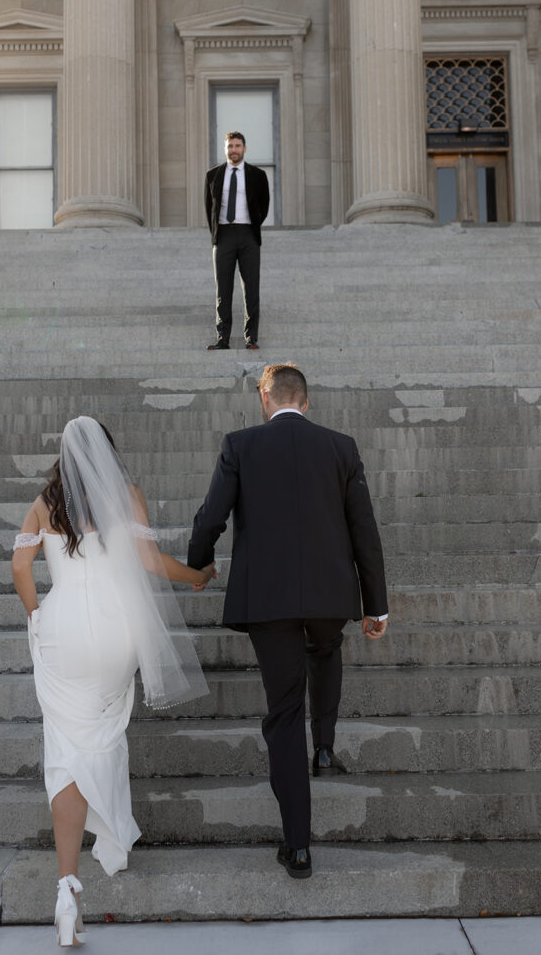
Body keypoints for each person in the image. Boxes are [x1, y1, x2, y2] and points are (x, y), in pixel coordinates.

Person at [11, 416, 213, 946]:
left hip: (64, 634)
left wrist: (36, 615)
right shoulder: (126, 494)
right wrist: (198, 576)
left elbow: (19, 567)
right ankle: (111, 837)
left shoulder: (44, 502)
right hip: (118, 632)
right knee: (102, 734)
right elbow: (150, 562)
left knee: (66, 751)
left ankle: (66, 890)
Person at [187, 364, 388, 880]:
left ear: (265, 398)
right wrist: (375, 604)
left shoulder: (240, 445)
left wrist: (198, 564)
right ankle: (323, 745)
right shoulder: (340, 447)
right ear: (306, 400)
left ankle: (297, 845)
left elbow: (212, 514)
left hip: (268, 598)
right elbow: (363, 528)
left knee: (282, 711)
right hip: (329, 594)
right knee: (325, 649)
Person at [205, 130, 270, 351]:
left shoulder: (257, 175)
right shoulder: (212, 176)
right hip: (224, 235)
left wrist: (252, 224)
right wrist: (216, 233)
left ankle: (251, 338)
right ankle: (222, 338)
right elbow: (209, 208)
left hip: (248, 235)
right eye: (230, 146)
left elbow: (264, 204)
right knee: (223, 290)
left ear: (244, 148)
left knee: (251, 288)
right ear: (225, 149)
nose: (234, 150)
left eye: (237, 146)